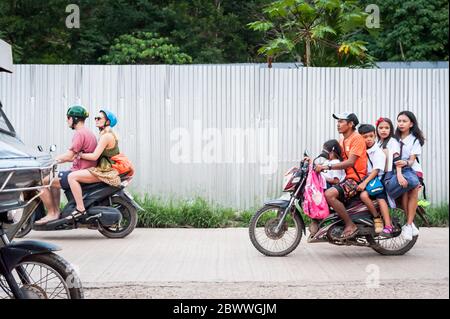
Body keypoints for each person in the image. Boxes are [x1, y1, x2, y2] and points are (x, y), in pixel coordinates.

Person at [35, 105, 97, 225]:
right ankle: (56, 211)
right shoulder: (88, 133)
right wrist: (59, 160)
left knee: (42, 183)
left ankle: (52, 213)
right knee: (53, 181)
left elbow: (69, 156)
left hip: (78, 172)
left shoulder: (80, 134)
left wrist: (53, 160)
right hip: (84, 170)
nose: (67, 120)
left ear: (74, 119)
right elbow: (75, 156)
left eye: (68, 117)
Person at [315, 112, 368, 240]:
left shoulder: (357, 139)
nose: (338, 124)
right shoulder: (342, 140)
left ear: (351, 124)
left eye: (341, 121)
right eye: (338, 122)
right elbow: (332, 157)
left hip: (355, 179)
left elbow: (350, 162)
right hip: (345, 178)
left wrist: (327, 167)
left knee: (329, 194)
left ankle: (350, 225)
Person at [65, 109, 121, 219]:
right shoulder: (106, 134)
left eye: (99, 118)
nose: (96, 120)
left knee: (72, 177)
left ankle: (80, 209)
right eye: (95, 118)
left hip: (104, 171)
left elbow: (94, 156)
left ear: (108, 122)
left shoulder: (106, 136)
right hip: (105, 168)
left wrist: (79, 154)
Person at [394, 111, 425, 240]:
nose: (401, 124)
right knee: (403, 194)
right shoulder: (394, 138)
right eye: (399, 121)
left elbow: (412, 160)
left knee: (412, 190)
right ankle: (410, 224)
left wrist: (406, 162)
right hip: (398, 170)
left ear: (411, 124)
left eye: (404, 121)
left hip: (412, 169)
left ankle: (408, 224)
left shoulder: (414, 140)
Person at [357, 124, 393, 236]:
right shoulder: (362, 151)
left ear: (375, 136)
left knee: (377, 197)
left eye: (371, 136)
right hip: (365, 178)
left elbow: (376, 171)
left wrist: (364, 183)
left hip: (376, 180)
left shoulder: (377, 152)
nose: (368, 139)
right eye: (365, 137)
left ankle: (385, 223)